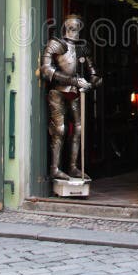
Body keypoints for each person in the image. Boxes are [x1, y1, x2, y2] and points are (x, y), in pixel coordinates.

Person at [40, 15, 102, 181]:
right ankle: (55, 168)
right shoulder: (55, 44)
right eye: (71, 27)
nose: (73, 31)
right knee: (59, 129)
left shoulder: (82, 47)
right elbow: (46, 70)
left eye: (76, 27)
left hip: (76, 91)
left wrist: (92, 83)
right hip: (58, 90)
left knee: (79, 128)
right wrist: (73, 80)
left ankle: (73, 167)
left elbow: (93, 71)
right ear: (66, 27)